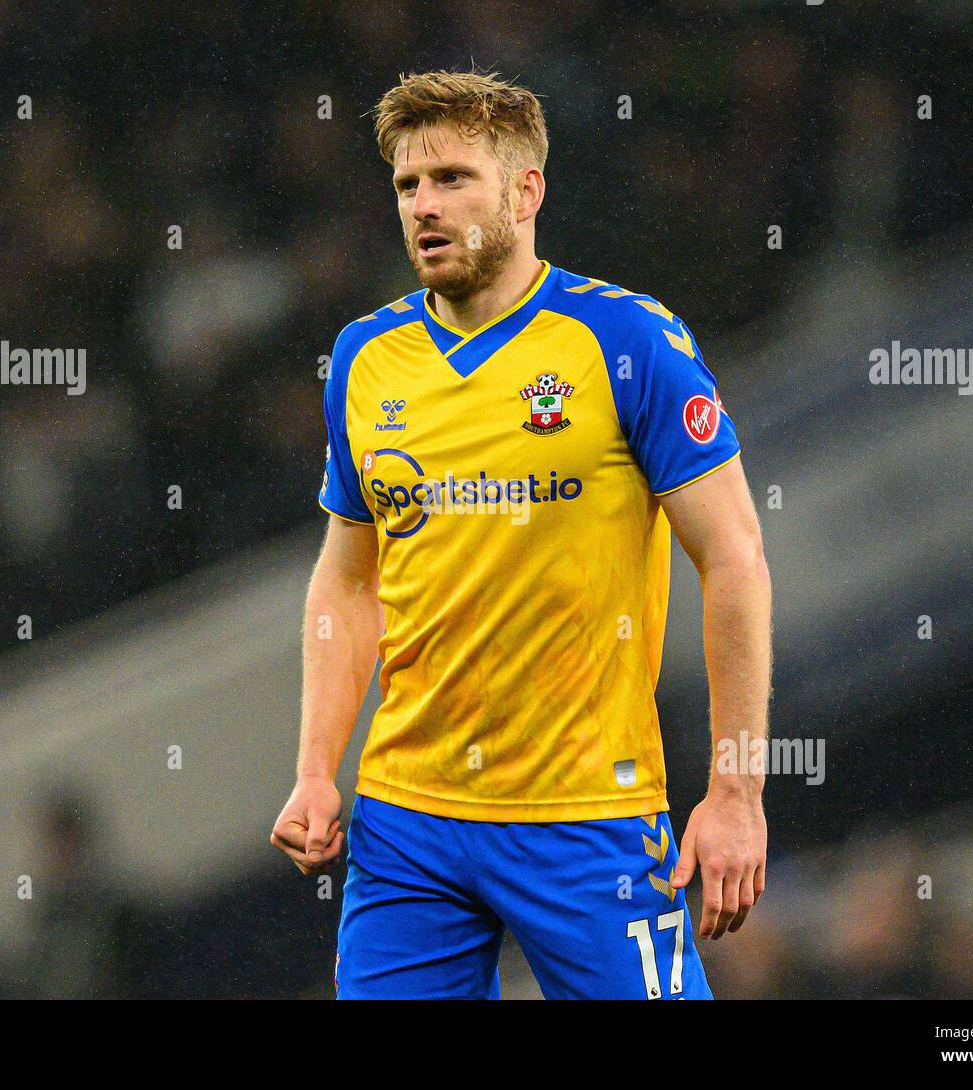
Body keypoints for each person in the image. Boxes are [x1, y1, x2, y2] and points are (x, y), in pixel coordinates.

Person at [272, 69, 771, 1000]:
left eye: (453, 178)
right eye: (407, 187)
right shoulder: (364, 359)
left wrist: (736, 790)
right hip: (408, 823)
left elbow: (735, 557)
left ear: (526, 191)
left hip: (587, 819)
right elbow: (348, 582)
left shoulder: (626, 343)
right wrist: (314, 770)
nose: (424, 205)